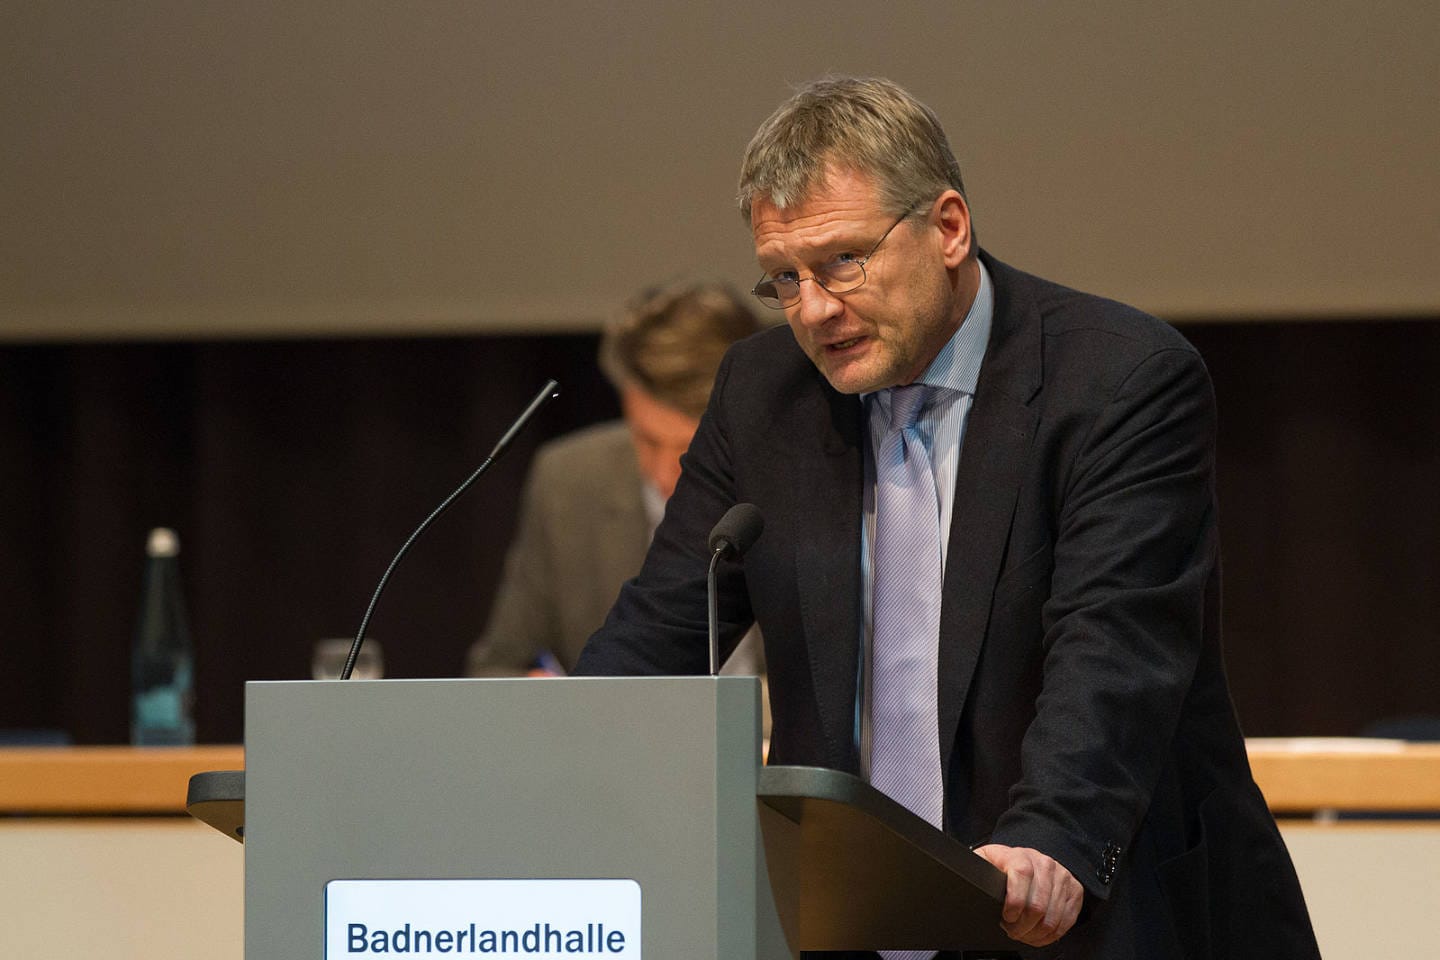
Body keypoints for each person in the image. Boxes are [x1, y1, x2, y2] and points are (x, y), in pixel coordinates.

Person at [575, 77, 1318, 958]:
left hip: (1082, 912)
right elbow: (659, 630)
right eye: (784, 277)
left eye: (842, 261)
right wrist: (557, 764)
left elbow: (1116, 647)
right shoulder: (761, 393)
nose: (813, 308)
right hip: (848, 921)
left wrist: (1051, 838)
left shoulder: (1118, 381)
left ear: (949, 228)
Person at [465, 281, 764, 678]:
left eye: (688, 449)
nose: (661, 473)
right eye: (646, 439)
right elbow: (497, 667)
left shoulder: (805, 474)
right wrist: (538, 699)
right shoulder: (571, 479)